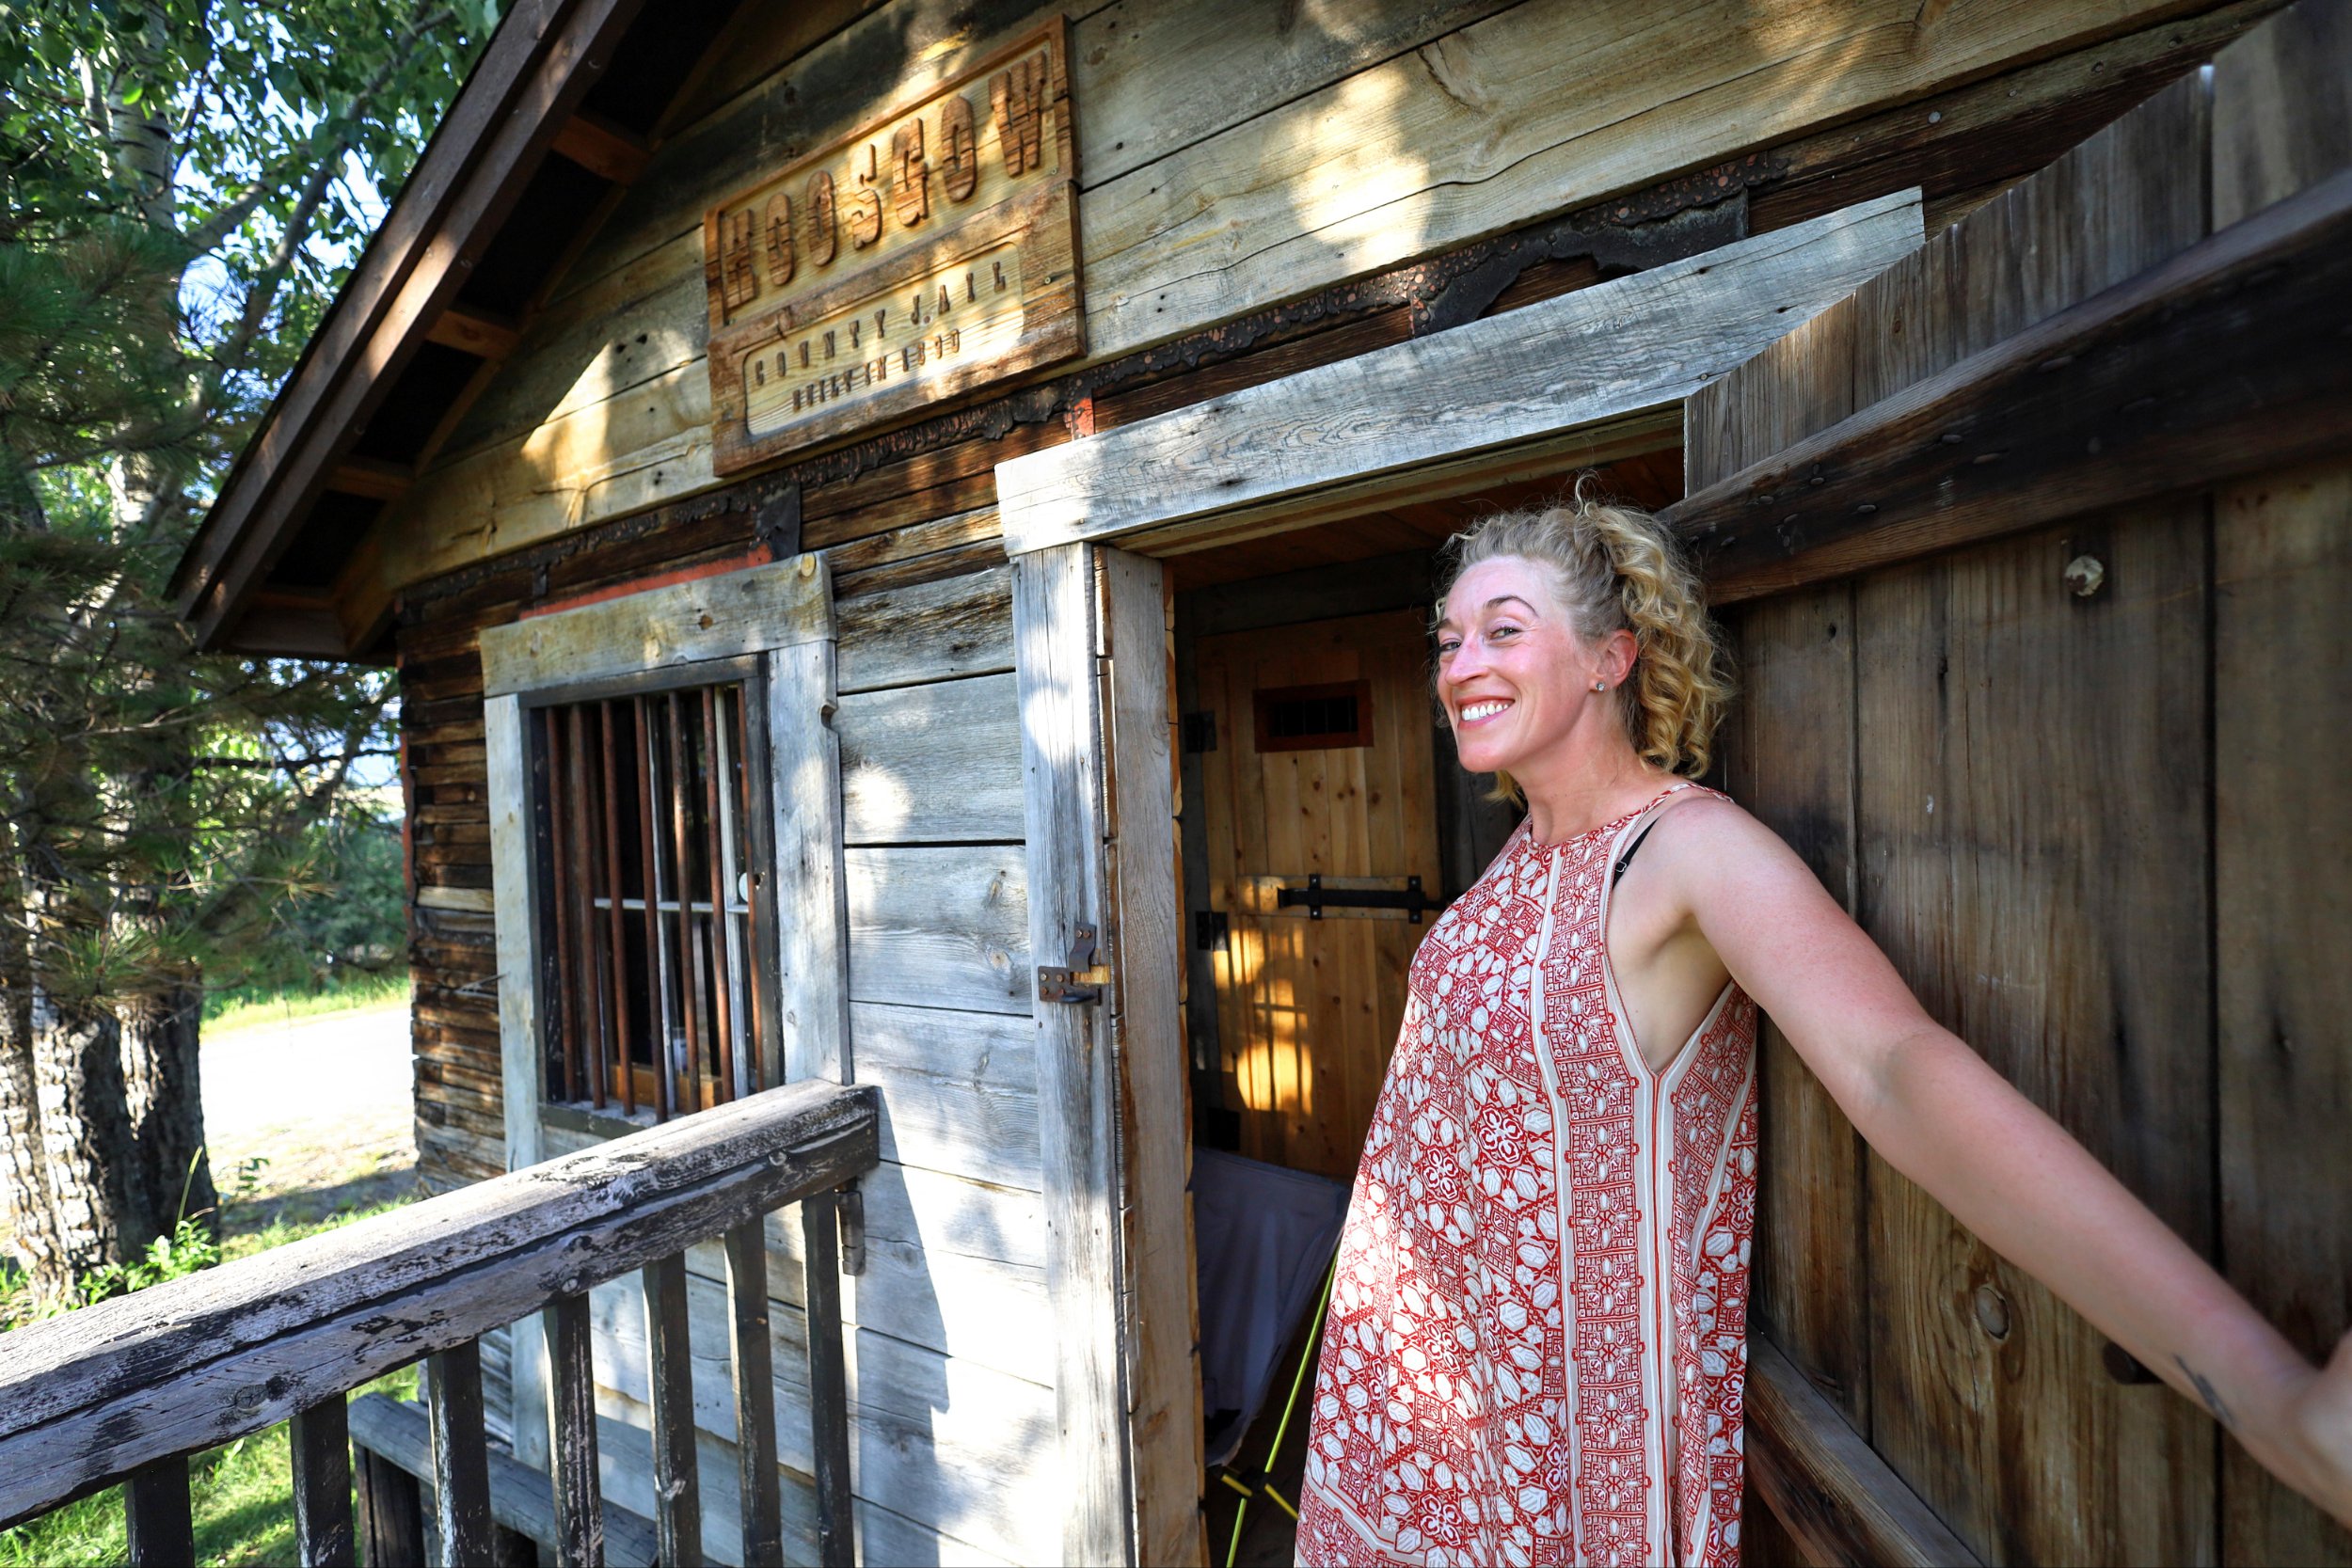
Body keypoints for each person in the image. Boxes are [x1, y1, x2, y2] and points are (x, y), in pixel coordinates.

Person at [1291, 490, 2352, 1567]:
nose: (1461, 662)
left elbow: (1896, 1068)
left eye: (1503, 629)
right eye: (1449, 639)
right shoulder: (1521, 852)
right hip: (1416, 1415)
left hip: (1562, 1452)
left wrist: (2273, 1397)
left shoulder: (1686, 852)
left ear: (1612, 656)